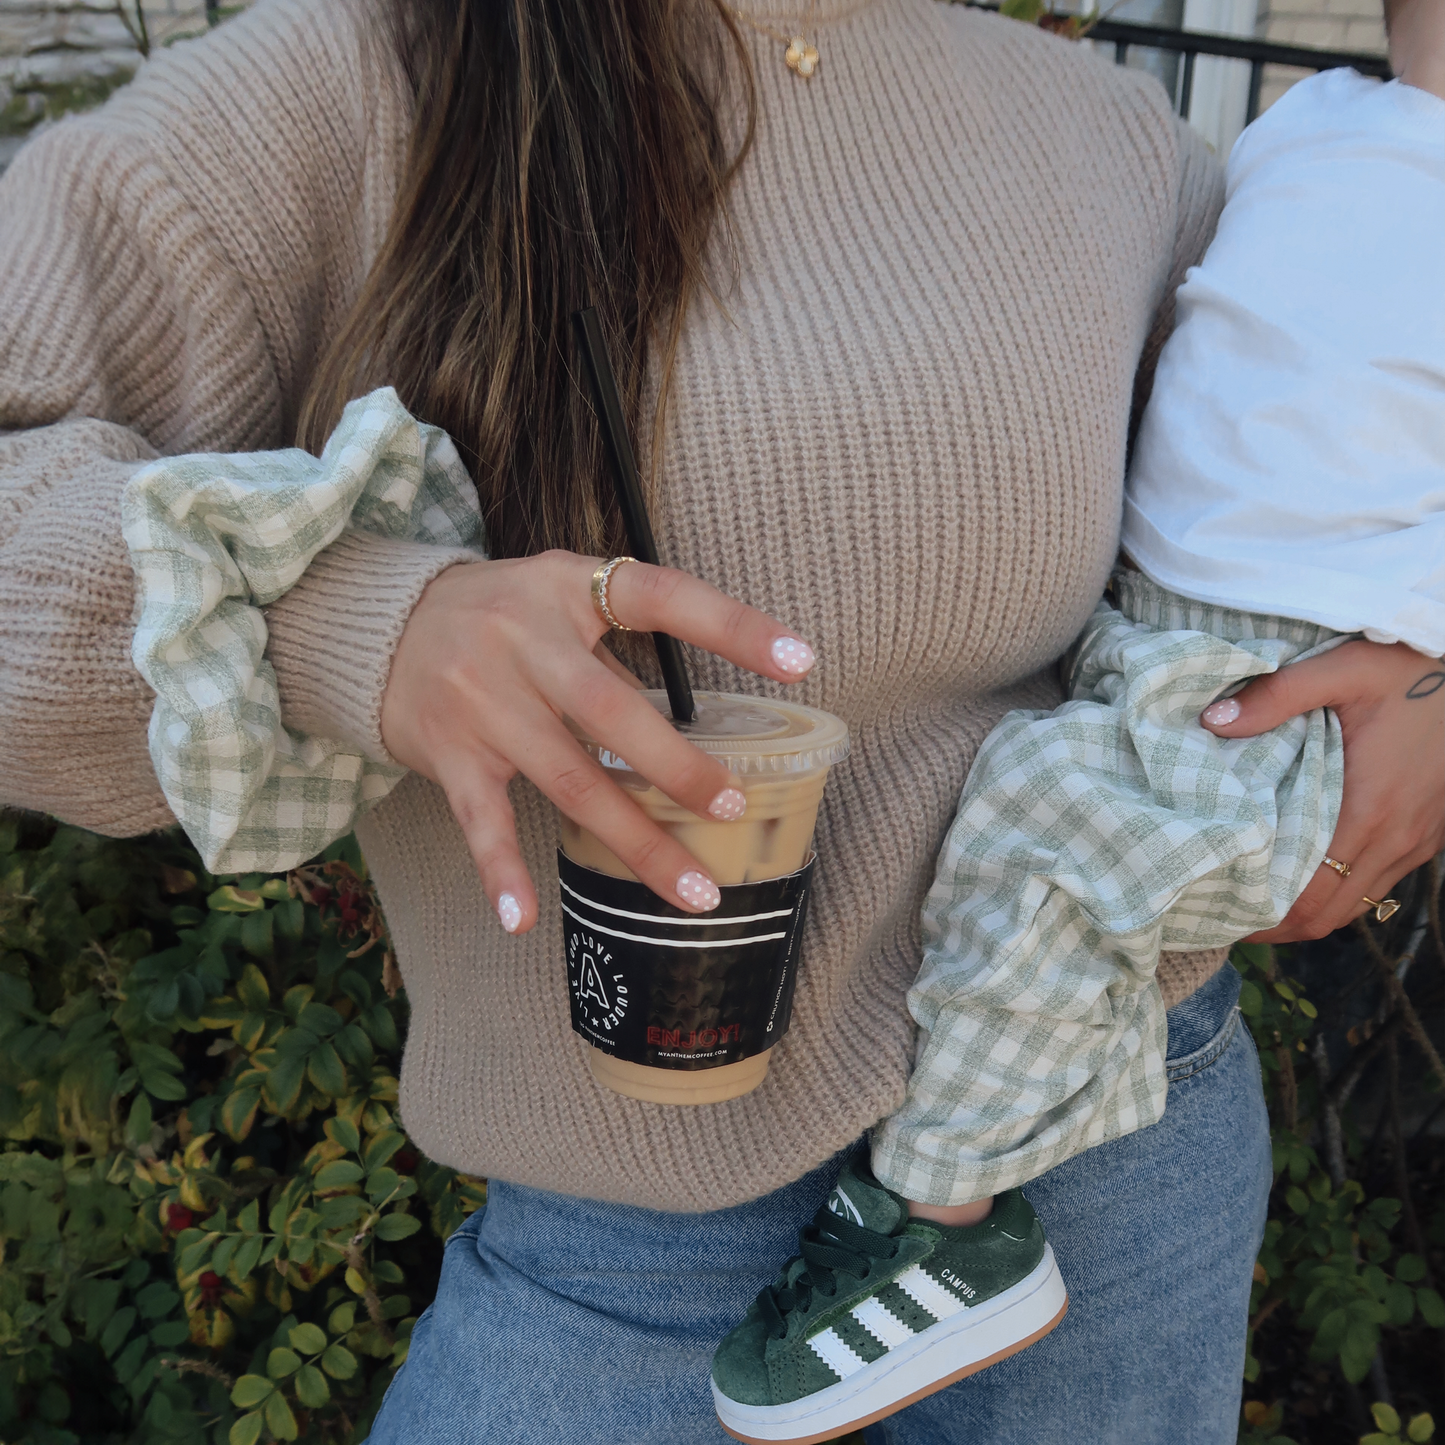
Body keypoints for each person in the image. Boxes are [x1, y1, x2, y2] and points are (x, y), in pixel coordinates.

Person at [0, 0, 1438, 1442]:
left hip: (1113, 1152)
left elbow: (1359, 439)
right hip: (627, 1241)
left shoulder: (1110, 137)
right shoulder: (347, 89)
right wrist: (353, 630)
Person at [710, 0, 1445, 1434]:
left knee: (1047, 833)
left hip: (1294, 686)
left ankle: (944, 1214)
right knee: (1035, 829)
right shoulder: (1314, 126)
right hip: (1150, 630)